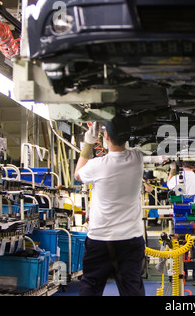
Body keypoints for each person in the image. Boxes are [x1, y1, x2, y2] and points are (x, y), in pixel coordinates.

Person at [74, 115, 146, 296]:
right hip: (130, 240)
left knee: (90, 287)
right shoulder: (137, 158)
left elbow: (77, 174)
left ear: (105, 137)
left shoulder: (97, 165)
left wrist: (89, 143)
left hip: (100, 240)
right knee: (132, 290)